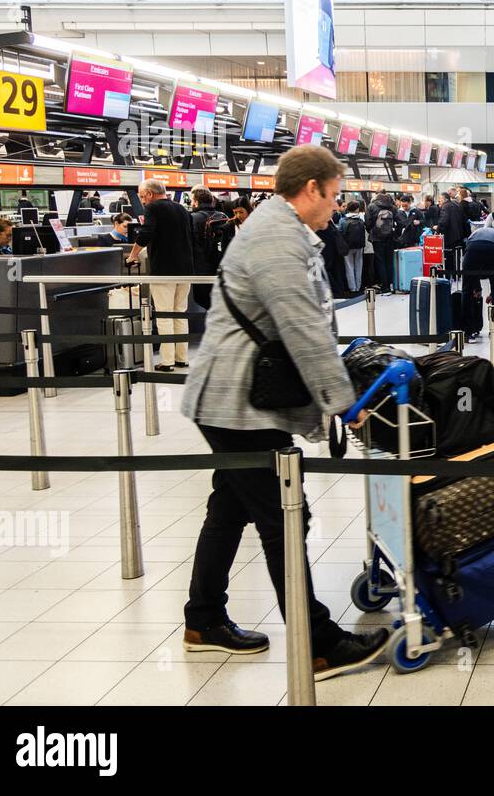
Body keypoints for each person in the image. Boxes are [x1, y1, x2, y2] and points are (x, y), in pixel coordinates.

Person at [180, 144, 387, 676]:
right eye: (334, 196)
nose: (336, 208)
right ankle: (318, 643)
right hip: (238, 401)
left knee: (230, 507)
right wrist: (344, 402)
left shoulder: (285, 229)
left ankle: (203, 619)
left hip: (237, 397)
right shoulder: (275, 237)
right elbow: (301, 326)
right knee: (283, 516)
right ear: (311, 188)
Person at [127, 179, 194, 372]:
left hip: (164, 269)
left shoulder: (154, 208)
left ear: (149, 194)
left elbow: (146, 233)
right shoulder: (181, 209)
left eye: (142, 197)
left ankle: (167, 361)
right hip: (185, 269)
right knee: (179, 313)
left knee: (164, 315)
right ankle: (182, 358)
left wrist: (133, 255)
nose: (142, 201)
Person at [462, 224, 494, 335]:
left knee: (467, 291)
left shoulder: (474, 235)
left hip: (473, 247)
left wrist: (476, 288)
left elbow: (471, 272)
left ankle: (468, 332)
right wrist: (493, 293)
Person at [365, 192, 399, 292]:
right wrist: (395, 233)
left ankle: (385, 286)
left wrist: (372, 231)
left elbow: (368, 223)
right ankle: (391, 284)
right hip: (390, 238)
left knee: (380, 261)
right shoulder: (392, 207)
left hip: (377, 238)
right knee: (389, 261)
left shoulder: (371, 206)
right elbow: (400, 222)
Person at [436, 190, 470, 276]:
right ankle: (457, 274)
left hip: (449, 236)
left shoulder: (445, 207)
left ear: (444, 199)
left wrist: (437, 230)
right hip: (459, 236)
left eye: (440, 200)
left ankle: (449, 275)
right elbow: (464, 220)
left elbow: (444, 221)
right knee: (457, 256)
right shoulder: (457, 204)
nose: (439, 202)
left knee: (448, 256)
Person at [338, 200, 367, 294]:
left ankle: (352, 288)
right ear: (357, 209)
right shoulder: (361, 220)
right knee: (359, 266)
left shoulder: (343, 220)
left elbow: (340, 232)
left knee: (349, 267)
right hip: (359, 246)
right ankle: (358, 287)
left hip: (347, 246)